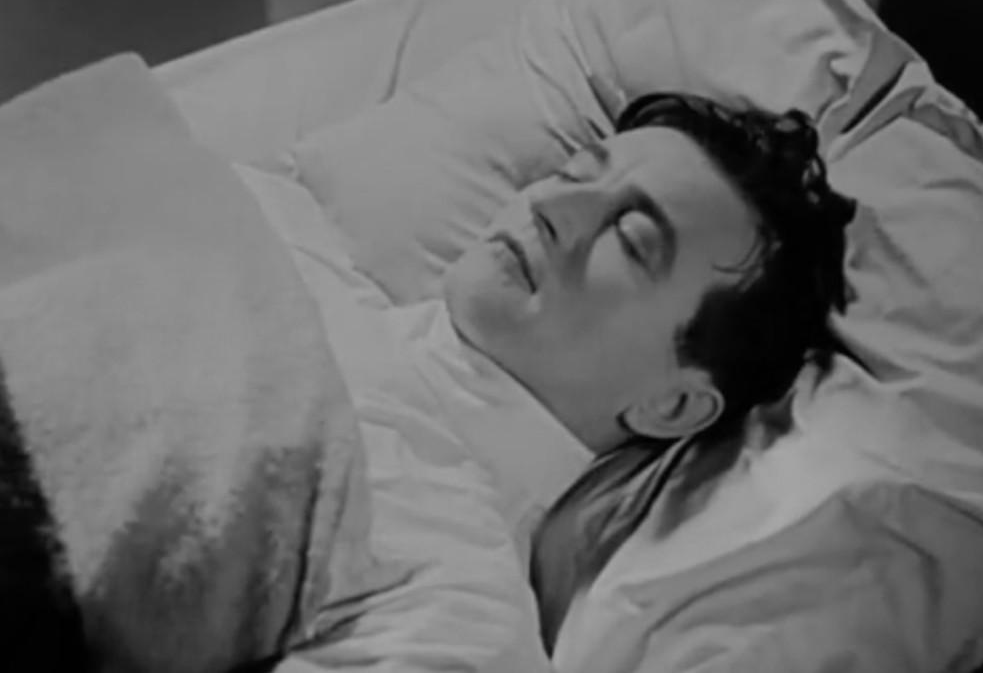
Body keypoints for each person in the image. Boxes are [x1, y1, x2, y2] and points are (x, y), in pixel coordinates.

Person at [270, 91, 855, 673]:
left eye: (632, 241)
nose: (552, 205)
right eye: (572, 173)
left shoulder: (453, 608)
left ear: (673, 405)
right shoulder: (288, 229)